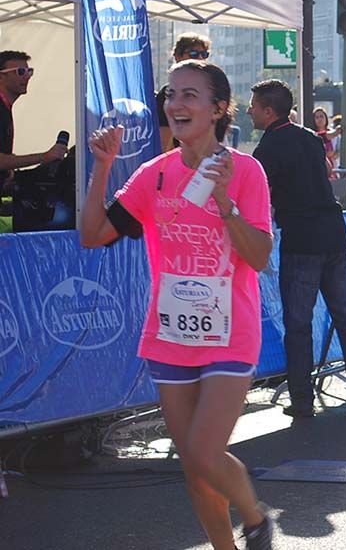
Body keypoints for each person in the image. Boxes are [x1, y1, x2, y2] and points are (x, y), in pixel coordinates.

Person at [81, 61, 276, 550]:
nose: (176, 104)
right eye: (172, 94)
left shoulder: (246, 171)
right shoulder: (155, 174)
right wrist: (103, 167)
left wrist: (225, 200)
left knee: (204, 452)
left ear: (217, 109)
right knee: (194, 470)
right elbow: (92, 236)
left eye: (190, 95)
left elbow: (259, 257)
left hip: (231, 333)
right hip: (170, 336)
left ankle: (254, 518)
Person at [249, 80, 346, 418]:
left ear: (268, 110)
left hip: (301, 240)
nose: (248, 110)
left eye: (253, 105)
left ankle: (302, 399)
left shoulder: (267, 149)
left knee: (298, 322)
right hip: (333, 235)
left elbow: (262, 199)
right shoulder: (310, 138)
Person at [0, 51, 69, 185]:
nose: (27, 77)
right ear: (1, 77)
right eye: (20, 72)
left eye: (29, 71)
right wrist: (45, 156)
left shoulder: (5, 108)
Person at [156, 34, 211, 153]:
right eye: (194, 54)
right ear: (178, 56)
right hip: (181, 161)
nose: (200, 58)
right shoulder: (168, 93)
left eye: (204, 54)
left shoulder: (211, 90)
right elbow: (165, 141)